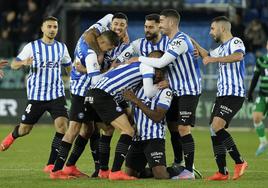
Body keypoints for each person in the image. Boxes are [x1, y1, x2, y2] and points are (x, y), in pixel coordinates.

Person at [127, 9, 201, 180]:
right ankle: (178, 165)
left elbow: (161, 62)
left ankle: (189, 170)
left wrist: (139, 59)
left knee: (182, 128)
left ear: (172, 23)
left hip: (188, 90)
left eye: (161, 21)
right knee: (175, 128)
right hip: (177, 89)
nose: (159, 24)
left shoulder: (179, 40)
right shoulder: (170, 41)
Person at [58, 13, 130, 178]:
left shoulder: (126, 45)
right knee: (80, 128)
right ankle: (59, 168)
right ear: (110, 25)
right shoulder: (95, 44)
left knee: (96, 129)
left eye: (122, 25)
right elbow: (88, 34)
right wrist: (97, 58)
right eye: (116, 24)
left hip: (104, 91)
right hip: (85, 90)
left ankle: (98, 169)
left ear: (126, 28)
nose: (118, 27)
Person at [0, 16, 72, 172]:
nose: (52, 29)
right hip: (36, 97)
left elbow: (69, 67)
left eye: (55, 27)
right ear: (42, 28)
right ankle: (12, 137)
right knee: (25, 130)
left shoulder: (62, 48)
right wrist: (23, 63)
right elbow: (13, 64)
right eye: (49, 26)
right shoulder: (31, 47)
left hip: (56, 94)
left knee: (62, 127)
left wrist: (75, 80)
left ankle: (51, 164)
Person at [49, 30, 120, 180]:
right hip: (81, 95)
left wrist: (85, 70)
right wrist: (111, 69)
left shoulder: (84, 40)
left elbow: (103, 21)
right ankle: (56, 170)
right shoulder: (91, 54)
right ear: (103, 42)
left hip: (87, 94)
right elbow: (95, 80)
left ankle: (71, 167)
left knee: (89, 129)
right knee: (73, 129)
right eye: (110, 48)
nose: (109, 51)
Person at [87, 51, 163, 180]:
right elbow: (149, 93)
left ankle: (103, 170)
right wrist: (161, 86)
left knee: (108, 130)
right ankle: (115, 172)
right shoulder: (147, 67)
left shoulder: (131, 64)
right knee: (128, 130)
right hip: (104, 96)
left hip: (92, 93)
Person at [192, 16, 248, 181]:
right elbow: (206, 55)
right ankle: (222, 172)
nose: (210, 32)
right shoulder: (221, 48)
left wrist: (214, 59)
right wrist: (192, 41)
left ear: (222, 29)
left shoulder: (235, 42)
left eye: (212, 28)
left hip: (234, 93)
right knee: (213, 129)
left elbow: (238, 56)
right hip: (222, 94)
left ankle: (240, 162)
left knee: (217, 126)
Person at [123, 59, 176, 179]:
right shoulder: (138, 87)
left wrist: (136, 101)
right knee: (130, 175)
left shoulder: (165, 91)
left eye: (160, 71)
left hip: (154, 138)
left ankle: (180, 170)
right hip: (137, 138)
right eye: (154, 71)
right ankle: (152, 168)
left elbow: (158, 116)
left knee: (161, 176)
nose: (157, 74)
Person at [247, 40, 268, 156]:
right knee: (256, 117)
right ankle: (263, 142)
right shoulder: (261, 60)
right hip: (262, 94)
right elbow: (255, 77)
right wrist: (250, 92)